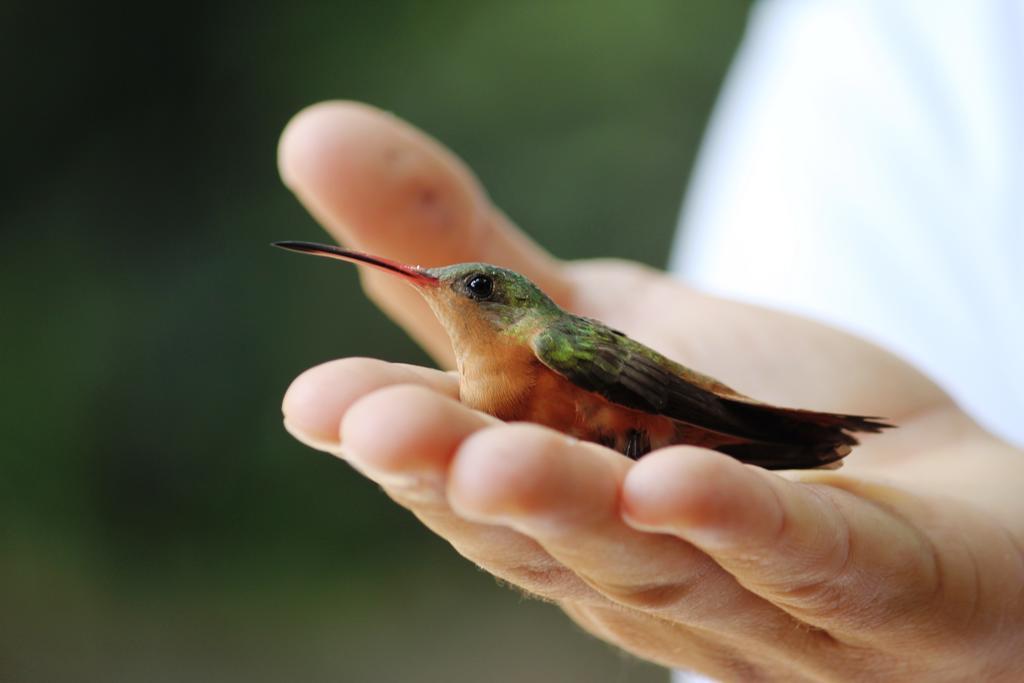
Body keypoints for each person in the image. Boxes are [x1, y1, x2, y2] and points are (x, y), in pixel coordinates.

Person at [276, 2, 1024, 679]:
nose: (453, 291)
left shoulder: (554, 342)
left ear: (509, 307)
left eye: (473, 288)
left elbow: (659, 397)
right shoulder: (480, 385)